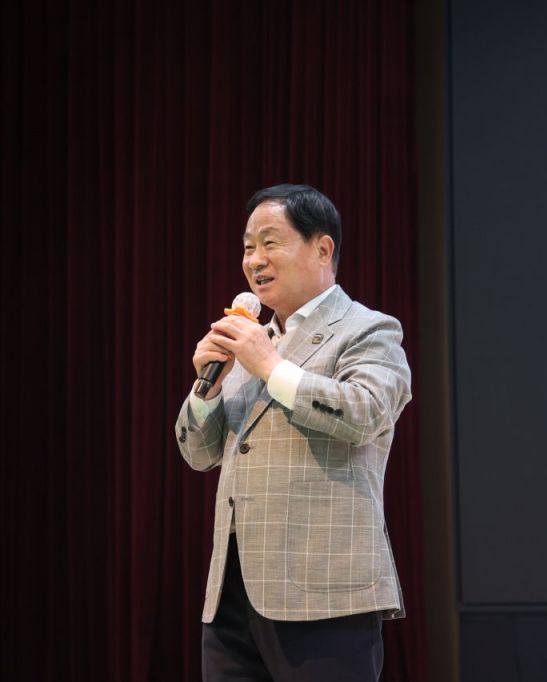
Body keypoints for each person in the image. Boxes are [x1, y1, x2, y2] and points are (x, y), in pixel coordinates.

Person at [175, 184, 413, 681]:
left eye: (270, 242)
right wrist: (207, 387)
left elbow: (366, 413)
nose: (254, 260)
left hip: (323, 593)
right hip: (233, 596)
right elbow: (199, 454)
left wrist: (269, 365)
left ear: (322, 249)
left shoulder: (368, 329)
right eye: (247, 247)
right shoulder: (254, 340)